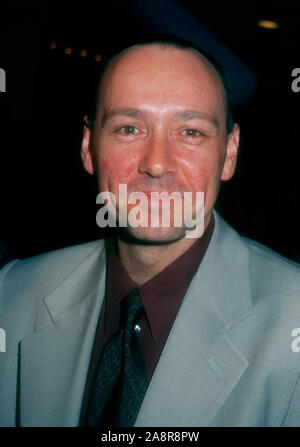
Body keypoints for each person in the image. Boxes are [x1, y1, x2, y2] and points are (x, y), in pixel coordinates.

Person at [1, 35, 300, 428]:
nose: (157, 165)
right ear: (89, 147)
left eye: (190, 132)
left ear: (229, 153)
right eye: (129, 128)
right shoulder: (13, 293)